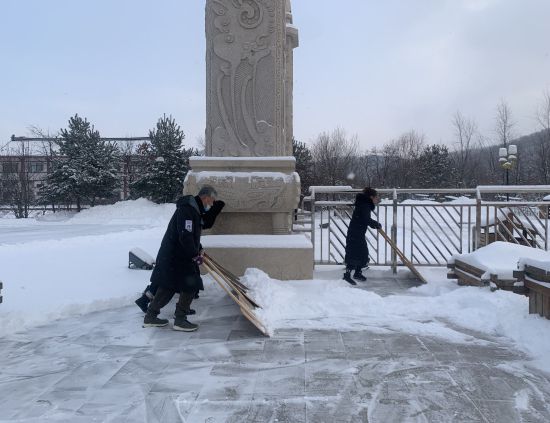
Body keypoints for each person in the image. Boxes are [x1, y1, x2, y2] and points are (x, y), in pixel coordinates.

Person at [142, 185, 221, 332]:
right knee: (191, 284)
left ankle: (151, 316)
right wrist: (194, 255)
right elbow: (185, 234)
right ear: (205, 197)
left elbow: (191, 235)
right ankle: (180, 319)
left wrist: (199, 248)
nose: (212, 203)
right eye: (211, 200)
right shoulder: (187, 210)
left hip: (175, 255)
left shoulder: (193, 210)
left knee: (168, 286)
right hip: (177, 256)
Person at [343, 187, 381, 285]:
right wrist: (375, 224)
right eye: (377, 197)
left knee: (362, 253)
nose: (378, 199)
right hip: (355, 233)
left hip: (357, 232)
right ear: (371, 197)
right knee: (355, 253)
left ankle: (357, 273)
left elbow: (365, 219)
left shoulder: (364, 204)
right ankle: (347, 275)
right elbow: (365, 219)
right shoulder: (365, 205)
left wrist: (374, 224)